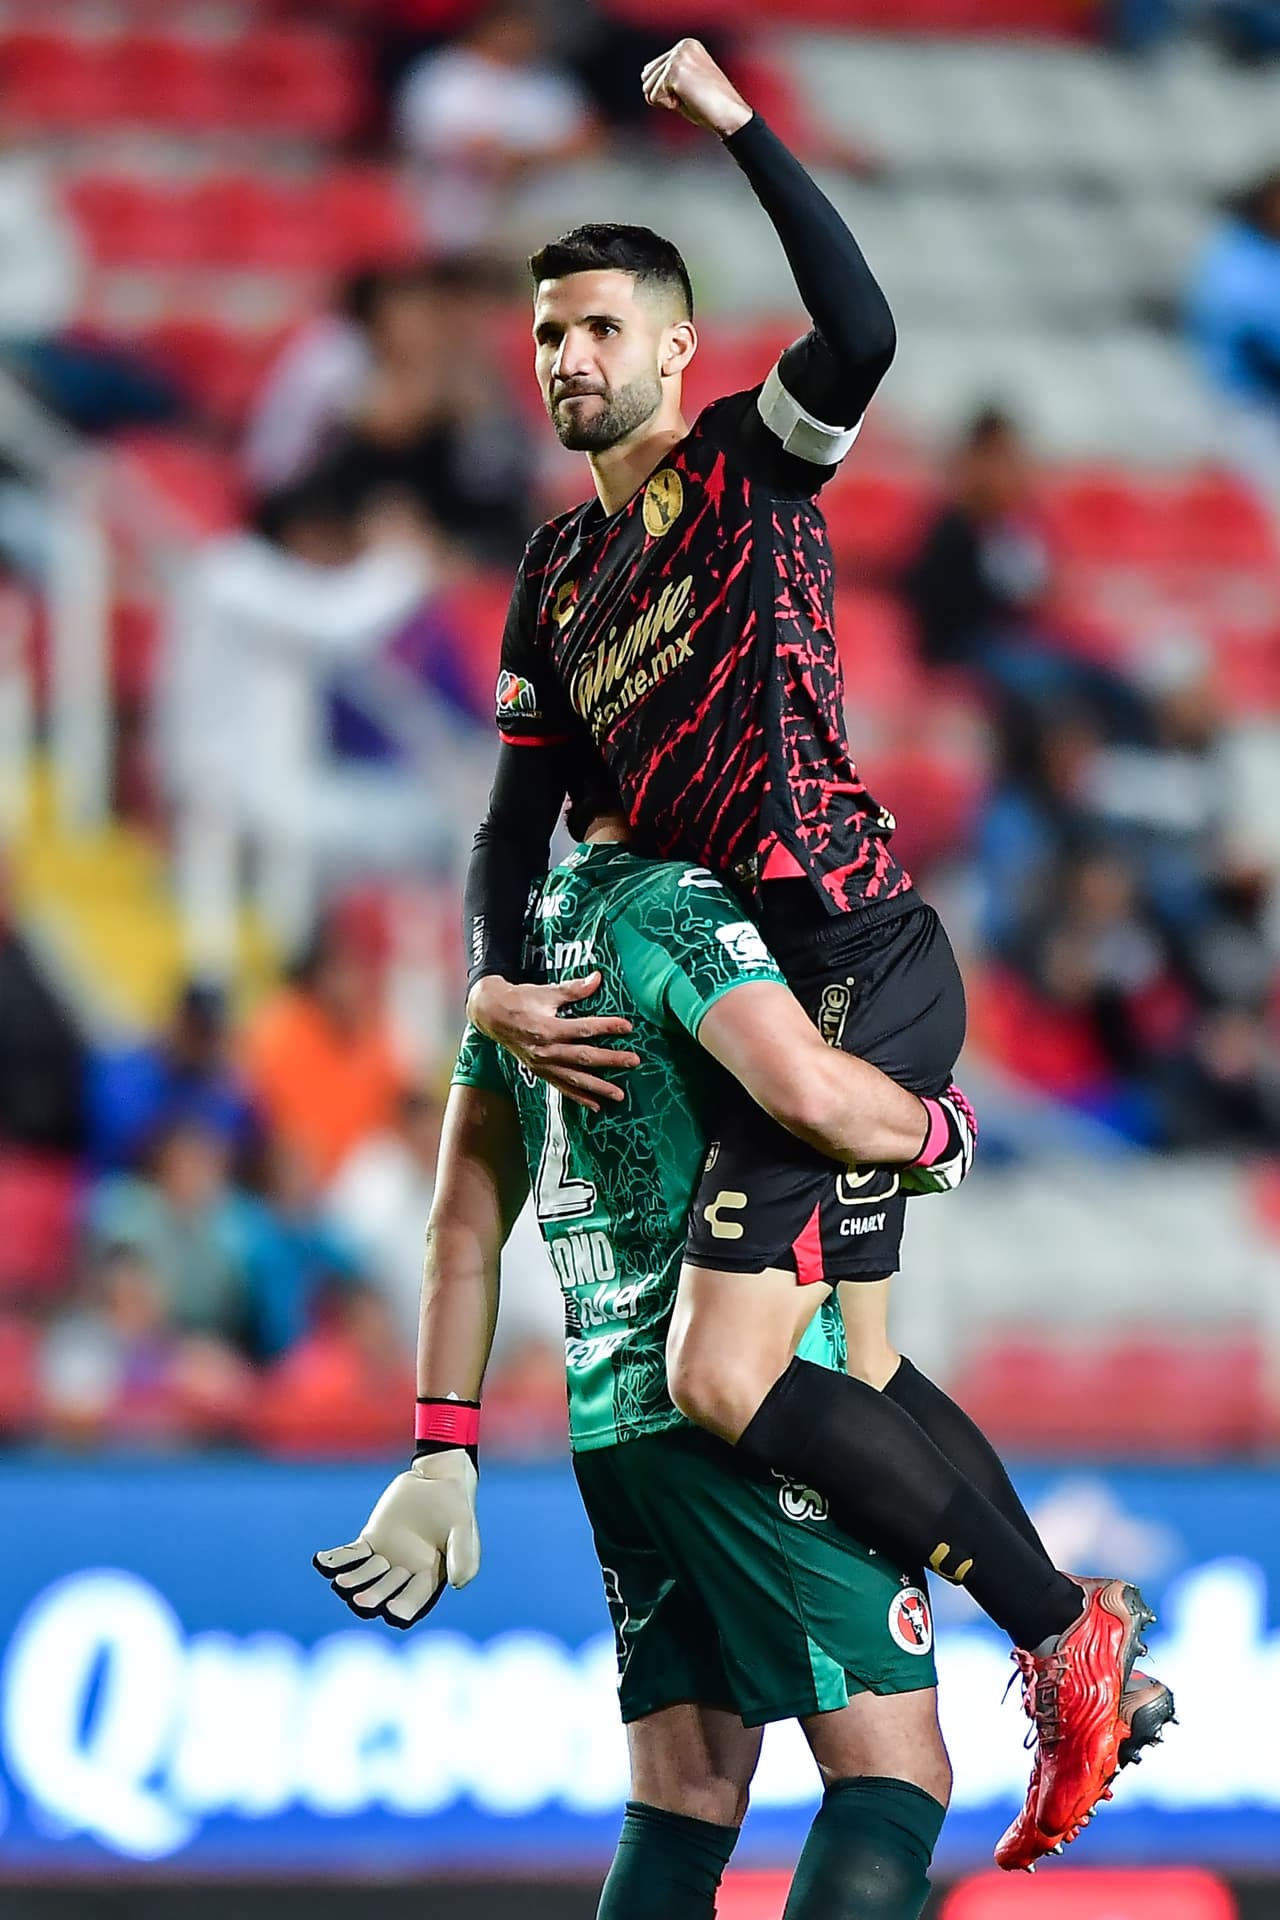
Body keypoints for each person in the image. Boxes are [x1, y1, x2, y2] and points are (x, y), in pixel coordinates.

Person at [458, 38, 1172, 1867]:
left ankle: (1058, 1632)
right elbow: (513, 824)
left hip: (848, 959)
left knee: (724, 1375)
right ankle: (1070, 1636)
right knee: (845, 1367)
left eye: (601, 327)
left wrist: (739, 126)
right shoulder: (554, 579)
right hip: (740, 989)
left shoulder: (745, 469)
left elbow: (862, 329)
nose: (569, 357)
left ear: (675, 346)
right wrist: (490, 974)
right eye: (547, 333)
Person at [314, 809, 1170, 1909]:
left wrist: (442, 1450)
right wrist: (941, 1130)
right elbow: (808, 1092)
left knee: (685, 1796)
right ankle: (1063, 1631)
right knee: (893, 1773)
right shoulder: (683, 905)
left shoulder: (516, 959)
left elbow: (461, 1226)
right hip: (757, 1413)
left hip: (612, 1426)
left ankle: (1060, 1624)